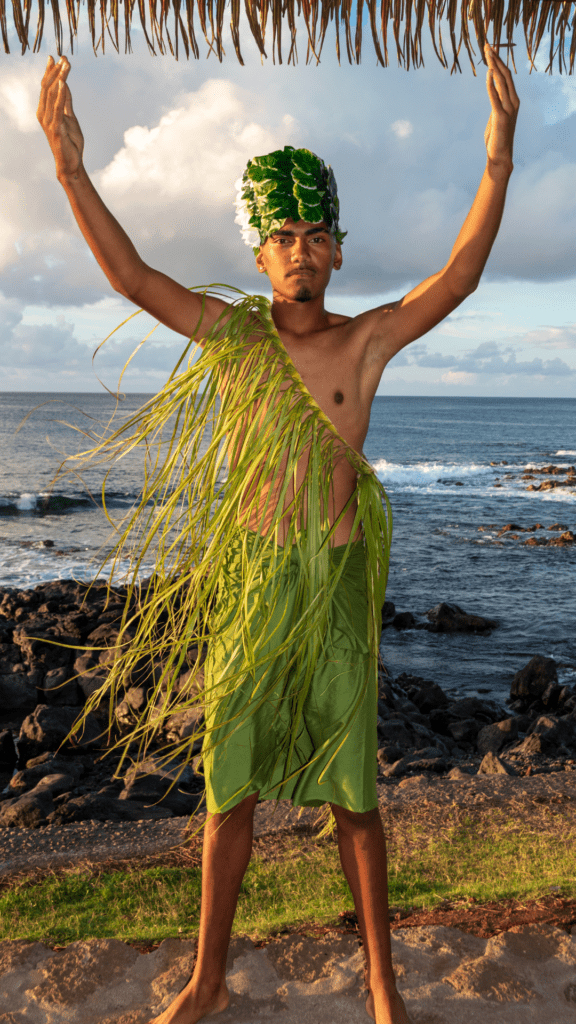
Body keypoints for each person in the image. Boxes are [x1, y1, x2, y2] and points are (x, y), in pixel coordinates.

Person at [36, 44, 519, 1024]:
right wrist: (70, 169)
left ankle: (384, 985)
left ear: (338, 250)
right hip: (255, 581)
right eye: (282, 236)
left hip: (334, 581)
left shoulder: (364, 341)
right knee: (231, 792)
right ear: (259, 254)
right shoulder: (234, 336)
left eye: (315, 235)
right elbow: (132, 277)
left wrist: (500, 156)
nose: (300, 250)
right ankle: (207, 979)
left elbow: (460, 277)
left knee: (355, 798)